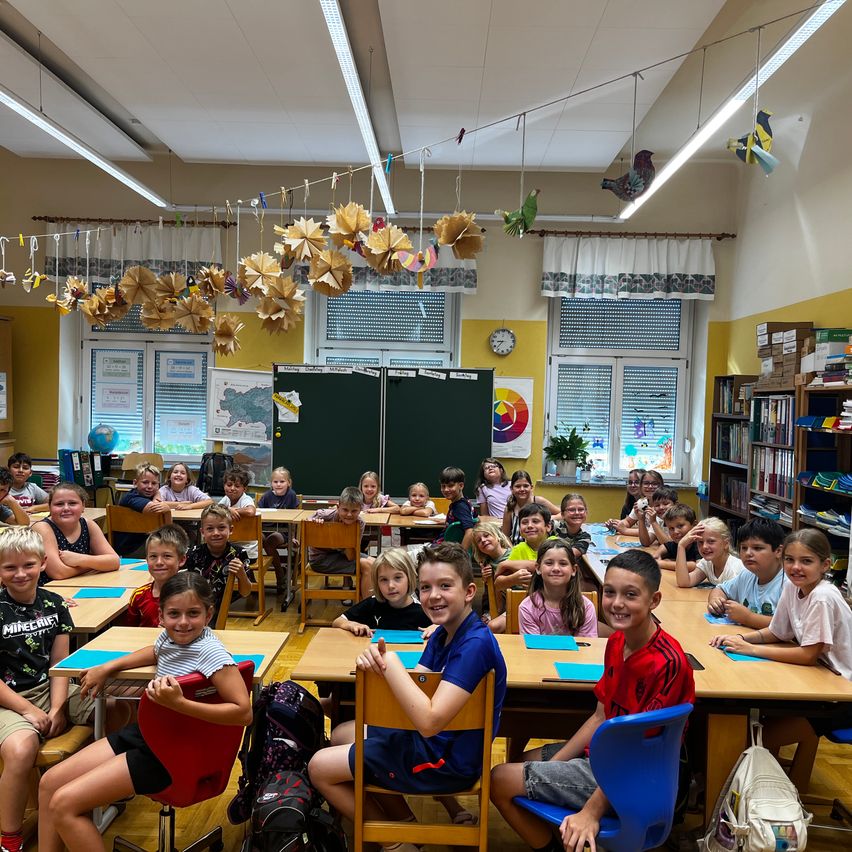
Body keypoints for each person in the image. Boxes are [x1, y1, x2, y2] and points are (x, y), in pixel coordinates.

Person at [490, 550, 695, 852]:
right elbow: (600, 717)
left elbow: (639, 754)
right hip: (602, 757)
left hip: (633, 775)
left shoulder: (667, 662)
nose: (617, 603)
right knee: (520, 766)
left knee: (499, 779)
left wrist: (592, 811)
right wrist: (555, 767)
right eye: (610, 592)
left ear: (654, 601)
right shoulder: (616, 642)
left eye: (631, 595)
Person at [308, 543, 507, 852]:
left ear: (469, 592)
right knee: (342, 733)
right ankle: (406, 824)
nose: (433, 595)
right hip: (436, 745)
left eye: (445, 586)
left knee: (318, 767)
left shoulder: (474, 644)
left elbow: (428, 721)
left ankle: (393, 840)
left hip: (446, 762)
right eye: (426, 587)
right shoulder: (445, 632)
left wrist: (392, 665)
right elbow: (417, 692)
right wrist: (377, 668)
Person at [38, 573, 252, 852]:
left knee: (64, 804)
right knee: (49, 783)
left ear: (209, 614)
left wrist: (180, 704)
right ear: (161, 616)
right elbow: (156, 650)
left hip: (169, 753)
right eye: (174, 614)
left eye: (193, 613)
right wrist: (108, 667)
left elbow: (243, 713)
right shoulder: (170, 637)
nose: (183, 622)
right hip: (147, 734)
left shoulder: (211, 653)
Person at [711, 529, 852, 791]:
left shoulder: (822, 596)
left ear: (825, 565)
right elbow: (777, 632)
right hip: (820, 684)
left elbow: (808, 655)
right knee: (744, 729)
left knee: (741, 742)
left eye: (806, 561)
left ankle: (757, 798)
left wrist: (750, 650)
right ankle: (759, 790)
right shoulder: (793, 587)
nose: (796, 567)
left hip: (840, 697)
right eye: (790, 560)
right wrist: (743, 638)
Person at [0, 528, 100, 852]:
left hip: (50, 688)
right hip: (9, 700)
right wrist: (29, 711)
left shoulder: (54, 603)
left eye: (28, 565)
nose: (20, 574)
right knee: (20, 749)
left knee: (115, 707)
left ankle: (89, 796)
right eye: (9, 567)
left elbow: (60, 663)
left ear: (43, 563)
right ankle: (10, 837)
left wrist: (57, 708)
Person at [331, 548, 430, 636]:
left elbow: (442, 628)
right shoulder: (371, 604)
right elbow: (337, 621)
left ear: (409, 577)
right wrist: (352, 624)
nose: (391, 586)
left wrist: (438, 628)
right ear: (377, 582)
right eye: (384, 580)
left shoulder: (422, 610)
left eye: (397, 578)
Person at [707, 518, 785, 629]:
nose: (748, 553)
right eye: (744, 548)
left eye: (757, 548)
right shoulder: (747, 575)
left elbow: (786, 626)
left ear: (778, 551)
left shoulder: (788, 583)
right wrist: (715, 600)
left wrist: (748, 618)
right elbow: (720, 589)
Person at [33, 483, 119, 582]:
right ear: (49, 506)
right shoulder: (43, 528)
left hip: (79, 583)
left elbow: (114, 561)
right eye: (59, 504)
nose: (66, 508)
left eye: (72, 503)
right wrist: (95, 564)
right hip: (49, 590)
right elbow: (58, 573)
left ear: (83, 506)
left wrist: (80, 559)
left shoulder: (88, 524)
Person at [184, 505, 252, 626]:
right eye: (210, 529)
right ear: (202, 532)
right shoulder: (193, 553)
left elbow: (246, 592)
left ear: (230, 530)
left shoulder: (238, 554)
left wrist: (241, 574)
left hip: (219, 610)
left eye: (221, 528)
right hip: (192, 608)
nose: (216, 533)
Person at [519, 539, 597, 637]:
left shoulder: (586, 607)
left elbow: (586, 648)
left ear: (573, 570)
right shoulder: (527, 607)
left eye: (563, 563)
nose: (556, 568)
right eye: (549, 563)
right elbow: (533, 649)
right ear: (538, 568)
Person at [307, 486, 374, 600]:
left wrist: (343, 538)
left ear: (360, 509)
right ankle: (366, 609)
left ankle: (363, 600)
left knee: (376, 563)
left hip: (343, 555)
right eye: (345, 510)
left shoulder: (359, 524)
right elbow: (308, 520)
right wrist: (314, 523)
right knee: (367, 566)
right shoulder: (324, 515)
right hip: (320, 560)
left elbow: (351, 556)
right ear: (338, 507)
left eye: (354, 511)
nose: (349, 515)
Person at [122, 525, 189, 627]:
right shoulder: (139, 596)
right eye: (153, 556)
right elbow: (131, 632)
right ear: (147, 559)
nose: (159, 562)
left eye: (167, 556)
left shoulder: (192, 596)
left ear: (181, 560)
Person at [112, 463, 171, 557]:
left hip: (144, 543)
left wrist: (158, 496)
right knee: (173, 549)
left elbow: (167, 527)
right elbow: (156, 509)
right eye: (145, 482)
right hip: (131, 549)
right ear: (135, 483)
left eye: (154, 483)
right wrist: (159, 497)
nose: (150, 486)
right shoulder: (132, 497)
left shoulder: (149, 497)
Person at [257, 466, 299, 595]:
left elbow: (295, 519)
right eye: (275, 482)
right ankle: (253, 581)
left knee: (271, 541)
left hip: (283, 532)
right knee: (260, 539)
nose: (279, 484)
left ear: (289, 483)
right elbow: (257, 514)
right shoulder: (266, 496)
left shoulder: (291, 495)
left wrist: (293, 537)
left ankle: (280, 575)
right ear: (271, 483)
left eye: (282, 481)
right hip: (266, 530)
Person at [675, 517, 743, 588]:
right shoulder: (707, 563)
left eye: (711, 541)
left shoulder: (734, 570)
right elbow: (684, 582)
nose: (704, 546)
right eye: (700, 542)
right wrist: (681, 546)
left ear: (726, 543)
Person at [472, 523, 513, 629]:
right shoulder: (486, 564)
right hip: (498, 606)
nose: (483, 540)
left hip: (516, 602)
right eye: (479, 541)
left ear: (498, 536)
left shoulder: (513, 555)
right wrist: (486, 579)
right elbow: (489, 593)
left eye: (486, 535)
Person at [502, 470, 560, 545]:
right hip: (517, 549)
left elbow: (562, 513)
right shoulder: (510, 509)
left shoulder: (539, 501)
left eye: (525, 486)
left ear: (531, 487)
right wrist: (512, 549)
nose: (522, 489)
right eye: (518, 486)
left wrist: (549, 518)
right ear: (511, 489)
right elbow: (505, 535)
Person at [607, 469, 665, 536]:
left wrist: (625, 530)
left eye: (654, 484)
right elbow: (628, 521)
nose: (650, 486)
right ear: (641, 486)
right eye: (646, 483)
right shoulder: (641, 503)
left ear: (661, 486)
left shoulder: (663, 506)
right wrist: (615, 524)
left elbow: (654, 531)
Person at [218, 466, 257, 560]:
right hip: (230, 550)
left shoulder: (245, 499)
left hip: (247, 552)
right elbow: (216, 508)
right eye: (229, 485)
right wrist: (228, 509)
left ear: (244, 489)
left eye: (237, 486)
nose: (232, 488)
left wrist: (231, 510)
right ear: (224, 486)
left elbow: (251, 511)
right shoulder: (226, 499)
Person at [436, 466, 477, 551]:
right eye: (443, 486)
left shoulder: (460, 507)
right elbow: (476, 518)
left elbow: (470, 531)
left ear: (461, 485)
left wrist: (461, 555)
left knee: (406, 551)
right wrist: (449, 522)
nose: (446, 489)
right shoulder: (465, 501)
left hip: (444, 549)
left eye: (450, 486)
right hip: (446, 547)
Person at [653, 503, 701, 572]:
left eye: (680, 526)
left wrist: (662, 563)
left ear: (694, 525)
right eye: (671, 528)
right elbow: (665, 546)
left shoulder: (700, 543)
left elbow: (696, 566)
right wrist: (657, 554)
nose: (675, 532)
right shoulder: (676, 543)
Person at [552, 494, 592, 561]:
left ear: (586, 513)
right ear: (562, 514)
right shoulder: (553, 526)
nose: (577, 513)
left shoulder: (585, 537)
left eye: (581, 509)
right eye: (571, 510)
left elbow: (569, 555)